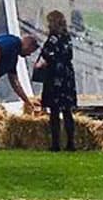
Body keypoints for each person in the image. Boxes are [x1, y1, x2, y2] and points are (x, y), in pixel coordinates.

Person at [33, 11, 78, 152]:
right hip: (67, 75)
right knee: (67, 110)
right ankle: (71, 143)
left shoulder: (52, 38)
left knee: (54, 110)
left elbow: (46, 56)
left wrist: (38, 67)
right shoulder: (67, 37)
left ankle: (55, 144)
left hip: (55, 75)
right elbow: (69, 54)